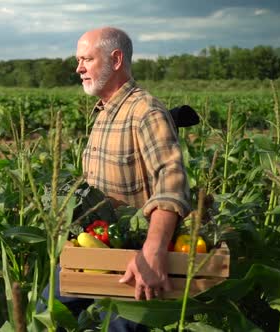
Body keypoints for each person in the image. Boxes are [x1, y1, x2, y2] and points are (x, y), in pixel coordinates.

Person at [40, 26, 192, 330]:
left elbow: (171, 183)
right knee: (44, 310)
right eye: (78, 60)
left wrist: (152, 252)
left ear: (116, 59)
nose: (78, 67)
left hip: (136, 257)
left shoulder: (145, 111)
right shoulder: (105, 112)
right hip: (98, 249)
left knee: (119, 326)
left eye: (87, 59)